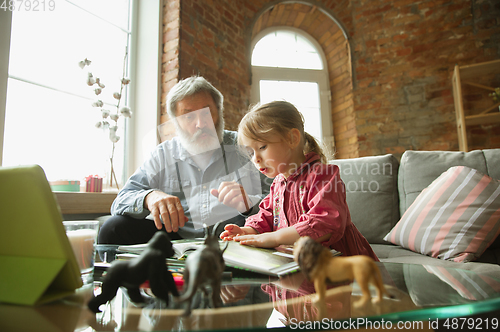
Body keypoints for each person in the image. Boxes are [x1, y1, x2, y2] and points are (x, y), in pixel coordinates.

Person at [98, 76, 269, 245]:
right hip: (175, 239)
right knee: (112, 228)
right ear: (176, 122)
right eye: (189, 117)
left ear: (219, 111)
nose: (201, 123)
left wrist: (249, 203)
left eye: (207, 113)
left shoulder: (246, 147)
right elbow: (120, 202)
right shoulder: (162, 155)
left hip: (234, 237)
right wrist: (149, 197)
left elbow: (282, 199)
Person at [220, 101, 378, 260]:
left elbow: (326, 223)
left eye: (262, 147)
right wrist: (248, 232)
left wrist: (274, 238)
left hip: (342, 265)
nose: (256, 159)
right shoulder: (278, 183)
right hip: (301, 263)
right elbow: (267, 215)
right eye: (250, 152)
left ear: (292, 138)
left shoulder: (322, 175)